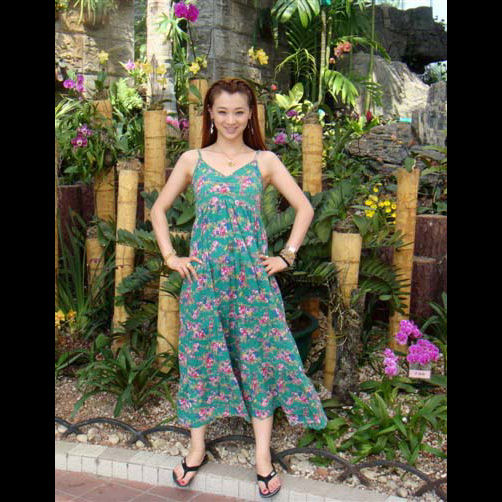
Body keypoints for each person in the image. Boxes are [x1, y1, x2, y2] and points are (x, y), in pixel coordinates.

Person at [150, 77, 327, 497]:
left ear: (251, 116)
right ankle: (196, 450)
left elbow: (304, 208)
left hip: (252, 284)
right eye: (223, 112)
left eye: (239, 112)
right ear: (210, 114)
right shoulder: (192, 160)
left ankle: (262, 458)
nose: (231, 120)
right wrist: (171, 257)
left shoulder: (265, 161)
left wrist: (287, 255)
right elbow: (158, 210)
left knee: (259, 361)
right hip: (204, 283)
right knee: (199, 359)